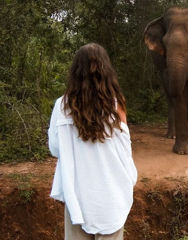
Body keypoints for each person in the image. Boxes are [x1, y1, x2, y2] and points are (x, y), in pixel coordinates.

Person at [48, 43, 137, 240]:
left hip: (77, 196)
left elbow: (55, 149)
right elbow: (125, 149)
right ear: (106, 70)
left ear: (75, 71)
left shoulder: (62, 106)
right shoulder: (117, 104)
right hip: (111, 195)